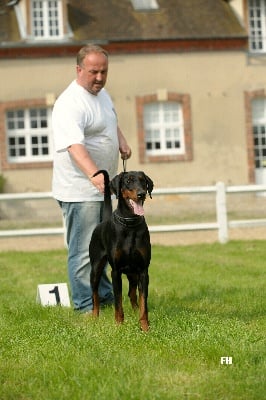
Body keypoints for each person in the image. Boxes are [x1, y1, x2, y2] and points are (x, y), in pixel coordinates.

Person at [52, 44, 131, 313]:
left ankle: (104, 294)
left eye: (104, 72)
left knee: (106, 245)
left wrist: (121, 141)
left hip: (101, 189)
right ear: (79, 69)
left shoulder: (102, 94)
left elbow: (109, 121)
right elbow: (74, 145)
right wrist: (94, 173)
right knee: (85, 250)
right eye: (93, 72)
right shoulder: (69, 103)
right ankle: (85, 304)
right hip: (80, 190)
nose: (99, 77)